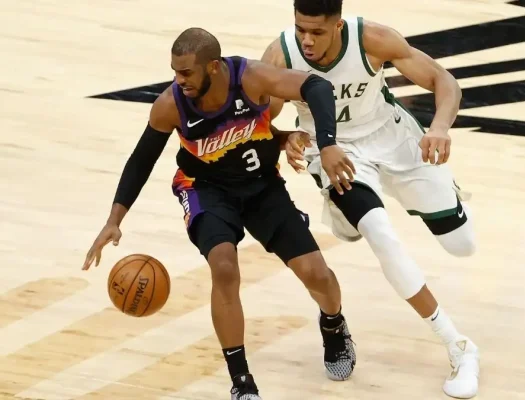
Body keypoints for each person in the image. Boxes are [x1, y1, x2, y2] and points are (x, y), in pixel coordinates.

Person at [81, 27, 357, 400]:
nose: (179, 80)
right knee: (224, 267)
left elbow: (316, 86)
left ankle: (333, 325)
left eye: (186, 72)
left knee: (317, 275)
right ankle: (241, 381)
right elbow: (141, 159)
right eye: (174, 72)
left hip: (261, 186)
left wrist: (325, 144)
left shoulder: (251, 77)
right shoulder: (170, 104)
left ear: (213, 66)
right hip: (205, 189)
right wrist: (114, 220)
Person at [261, 1, 480, 398]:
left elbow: (444, 80)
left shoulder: (372, 39)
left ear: (338, 26)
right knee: (380, 234)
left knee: (462, 245)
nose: (306, 40)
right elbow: (259, 122)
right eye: (300, 29)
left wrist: (440, 128)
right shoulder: (281, 55)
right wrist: (283, 138)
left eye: (317, 32)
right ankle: (458, 346)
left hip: (394, 138)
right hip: (336, 153)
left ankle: (370, 211)